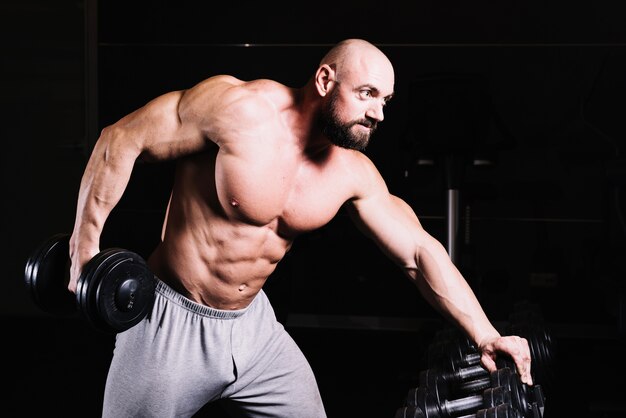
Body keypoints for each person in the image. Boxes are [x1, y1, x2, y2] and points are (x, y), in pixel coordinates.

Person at [68, 38, 533, 418]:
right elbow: (121, 138)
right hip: (171, 324)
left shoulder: (352, 173)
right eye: (367, 93)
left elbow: (417, 252)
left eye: (386, 101)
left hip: (254, 331)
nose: (379, 114)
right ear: (326, 79)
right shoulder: (239, 109)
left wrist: (485, 333)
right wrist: (84, 250)